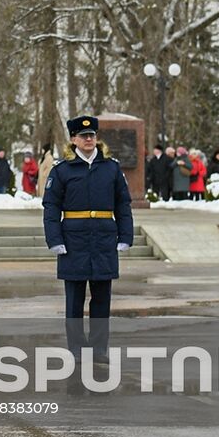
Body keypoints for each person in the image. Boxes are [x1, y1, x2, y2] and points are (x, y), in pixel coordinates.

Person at [42, 115, 133, 364]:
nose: (89, 139)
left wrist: (125, 236)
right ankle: (76, 348)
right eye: (83, 136)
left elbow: (123, 204)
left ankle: (99, 349)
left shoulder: (111, 167)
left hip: (104, 238)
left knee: (102, 298)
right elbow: (51, 206)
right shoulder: (62, 170)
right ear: (74, 140)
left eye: (92, 135)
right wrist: (54, 239)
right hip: (74, 240)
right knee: (74, 299)